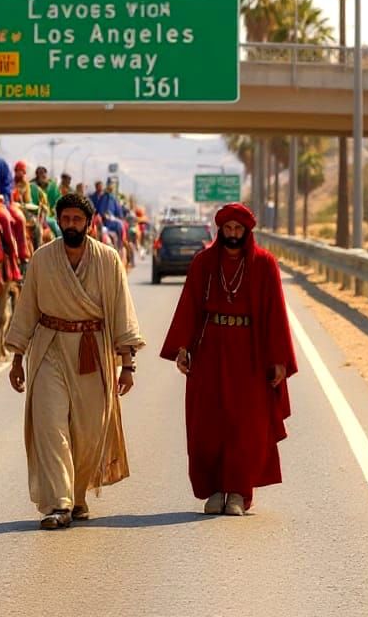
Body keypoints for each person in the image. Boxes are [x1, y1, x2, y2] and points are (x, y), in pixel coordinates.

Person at [5, 193, 144, 529]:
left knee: (87, 433)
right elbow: (26, 310)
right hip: (49, 348)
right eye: (65, 219)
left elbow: (122, 311)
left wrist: (127, 364)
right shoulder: (41, 259)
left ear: (89, 223)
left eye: (76, 220)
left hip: (92, 351)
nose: (70, 225)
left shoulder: (109, 260)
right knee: (50, 426)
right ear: (58, 221)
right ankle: (59, 503)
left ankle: (77, 495)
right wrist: (17, 358)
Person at [160, 203, 296, 516]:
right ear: (220, 230)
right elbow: (189, 306)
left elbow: (276, 314)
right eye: (228, 229)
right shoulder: (204, 262)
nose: (233, 235)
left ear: (247, 232)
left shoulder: (264, 264)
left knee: (245, 424)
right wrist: (183, 348)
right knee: (208, 422)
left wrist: (278, 360)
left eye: (238, 229)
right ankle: (215, 489)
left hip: (249, 351)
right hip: (209, 349)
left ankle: (238, 491)